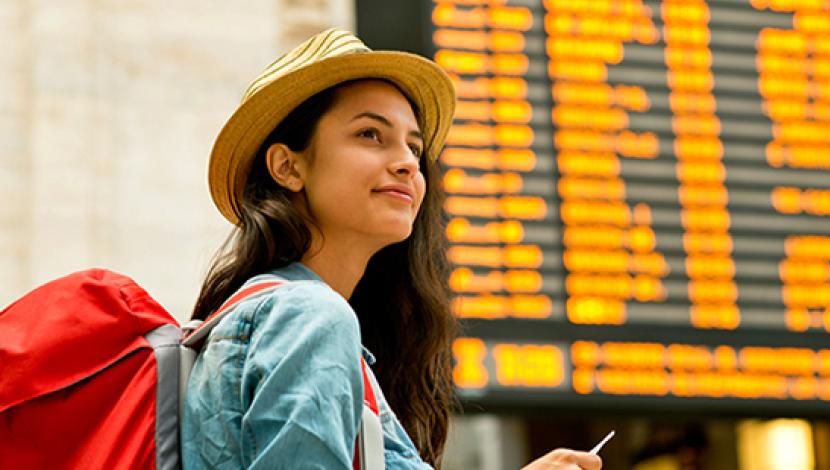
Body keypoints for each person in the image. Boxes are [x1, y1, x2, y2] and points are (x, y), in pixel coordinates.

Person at [182, 28, 603, 470]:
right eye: (370, 134)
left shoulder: (276, 315)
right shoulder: (310, 315)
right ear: (288, 167)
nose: (407, 163)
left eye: (414, 147)